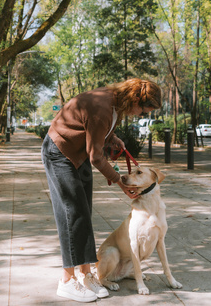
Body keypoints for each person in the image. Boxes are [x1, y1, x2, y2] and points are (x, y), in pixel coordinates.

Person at [41, 78, 162, 302]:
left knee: (84, 214)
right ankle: (67, 281)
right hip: (59, 153)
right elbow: (96, 157)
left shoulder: (116, 104)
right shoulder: (103, 107)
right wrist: (120, 182)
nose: (142, 114)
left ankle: (87, 275)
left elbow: (94, 130)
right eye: (144, 109)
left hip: (78, 154)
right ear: (136, 99)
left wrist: (113, 138)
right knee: (72, 214)